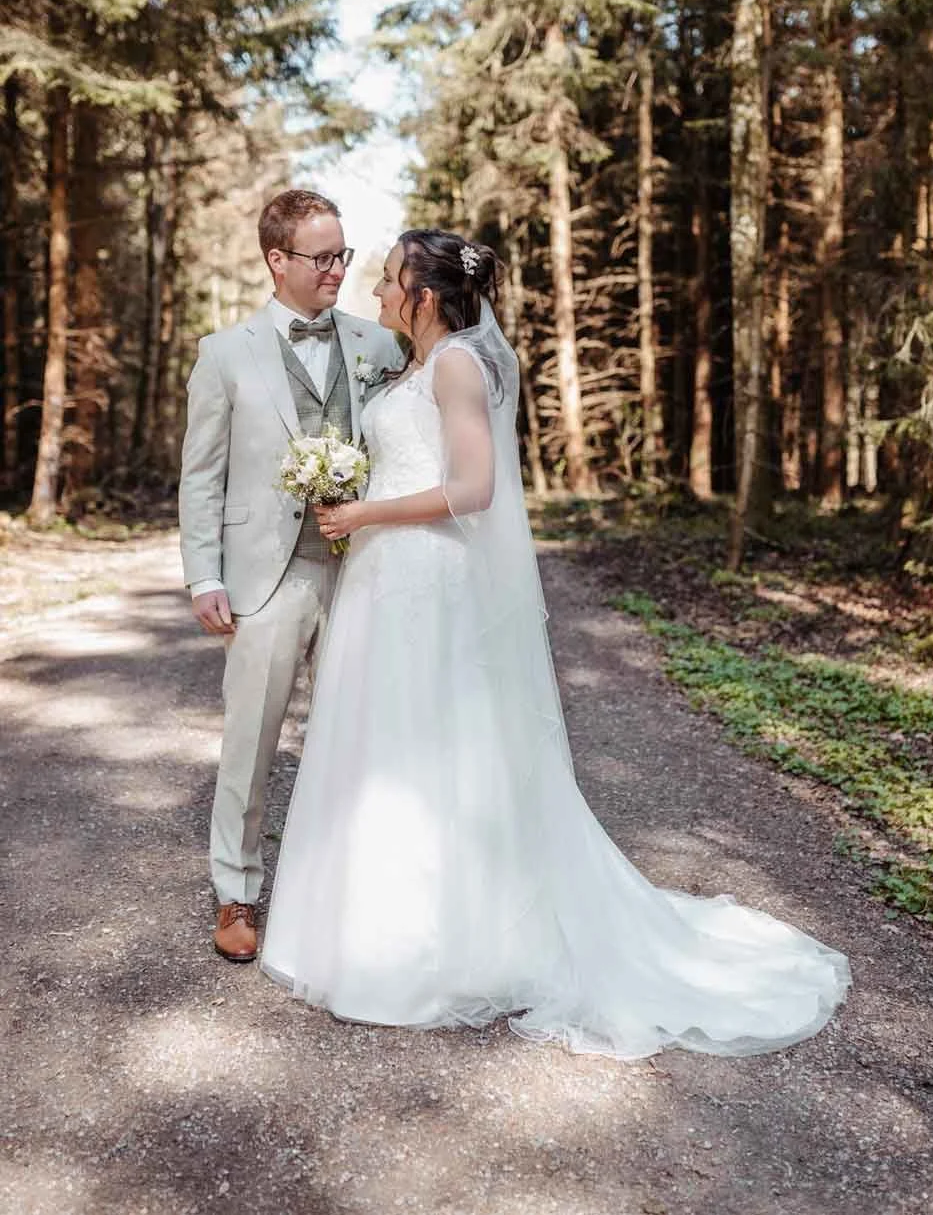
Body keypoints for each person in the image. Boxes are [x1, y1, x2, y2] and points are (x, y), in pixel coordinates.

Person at [260, 228, 850, 1059]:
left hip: (426, 578)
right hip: (388, 578)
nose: (378, 292)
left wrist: (363, 512)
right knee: (384, 745)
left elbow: (473, 488)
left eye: (390, 280)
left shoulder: (457, 365)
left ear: (425, 296)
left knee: (431, 748)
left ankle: (440, 947)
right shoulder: (418, 366)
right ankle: (369, 928)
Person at [178, 189, 403, 962]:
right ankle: (236, 890)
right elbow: (201, 476)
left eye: (344, 254)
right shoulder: (224, 354)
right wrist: (203, 576)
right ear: (278, 260)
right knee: (251, 741)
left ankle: (348, 888)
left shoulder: (379, 344)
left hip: (365, 568)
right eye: (323, 256)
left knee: (360, 734)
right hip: (263, 575)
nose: (339, 269)